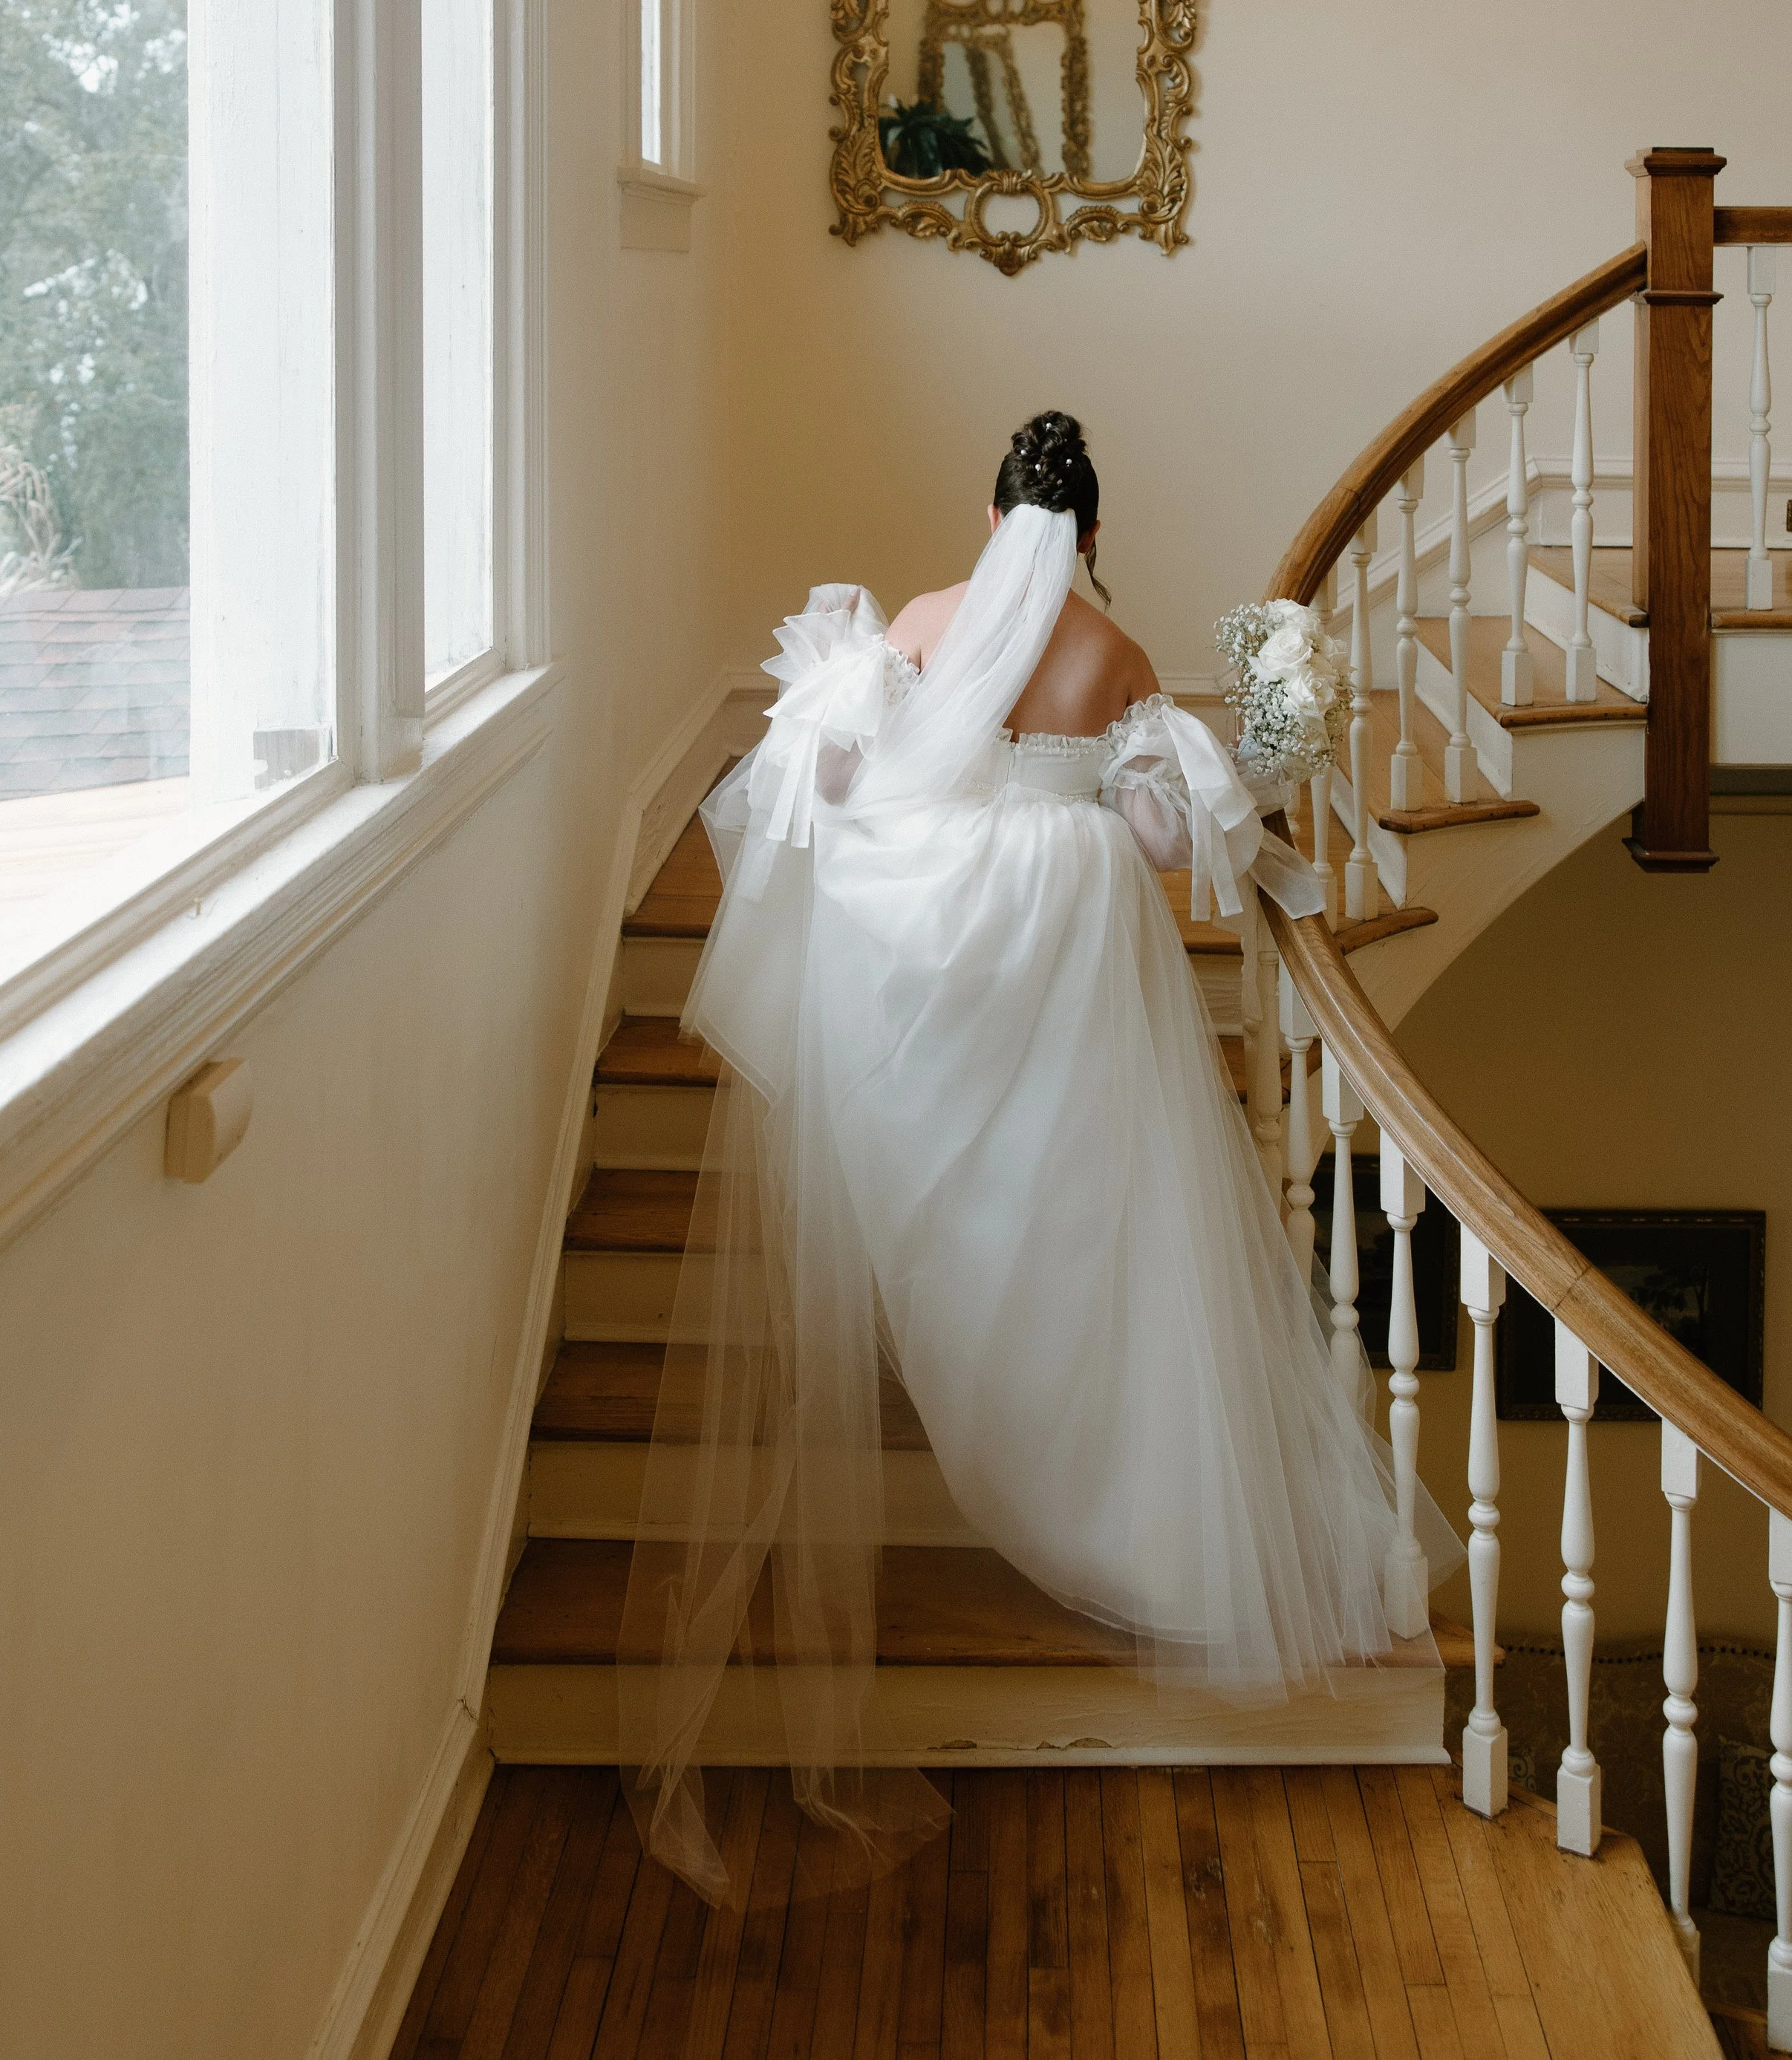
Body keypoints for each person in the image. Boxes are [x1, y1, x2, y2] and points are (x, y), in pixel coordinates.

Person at [618, 411, 1455, 1902]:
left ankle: (951, 1312)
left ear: (991, 512)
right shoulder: (1114, 653)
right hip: (1063, 939)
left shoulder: (924, 622)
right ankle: (1109, 1471)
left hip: (929, 933)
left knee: (952, 1178)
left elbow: (819, 793)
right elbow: (1147, 842)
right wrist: (1214, 775)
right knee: (1090, 1204)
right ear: (1082, 534)